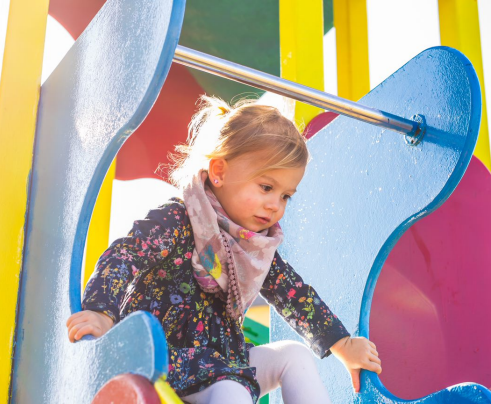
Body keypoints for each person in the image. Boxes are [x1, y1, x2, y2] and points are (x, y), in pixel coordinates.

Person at [66, 95, 382, 403]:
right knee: (233, 388)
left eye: (286, 196)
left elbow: (295, 295)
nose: (275, 205)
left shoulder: (256, 248)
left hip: (221, 363)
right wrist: (101, 312)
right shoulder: (180, 218)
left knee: (293, 355)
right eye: (267, 187)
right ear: (219, 172)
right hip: (160, 358)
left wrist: (342, 344)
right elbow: (125, 254)